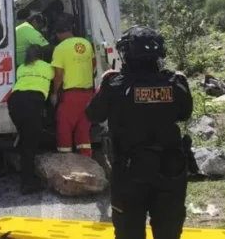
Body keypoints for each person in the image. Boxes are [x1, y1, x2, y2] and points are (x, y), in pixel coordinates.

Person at [86, 26, 193, 239]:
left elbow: (93, 114)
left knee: (128, 233)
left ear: (125, 53)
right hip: (170, 170)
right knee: (169, 232)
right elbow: (185, 113)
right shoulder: (175, 82)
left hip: (129, 172)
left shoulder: (114, 83)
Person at [7, 44, 55, 194]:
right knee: (30, 142)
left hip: (14, 101)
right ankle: (27, 183)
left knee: (25, 138)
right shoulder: (48, 67)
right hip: (32, 101)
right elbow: (56, 82)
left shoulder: (21, 67)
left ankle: (24, 171)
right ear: (41, 56)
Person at [50, 14, 95, 157]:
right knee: (83, 127)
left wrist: (54, 93)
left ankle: (66, 159)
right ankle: (86, 158)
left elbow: (58, 76)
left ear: (58, 33)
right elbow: (93, 66)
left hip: (71, 95)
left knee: (64, 125)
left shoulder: (60, 48)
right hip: (89, 93)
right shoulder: (86, 43)